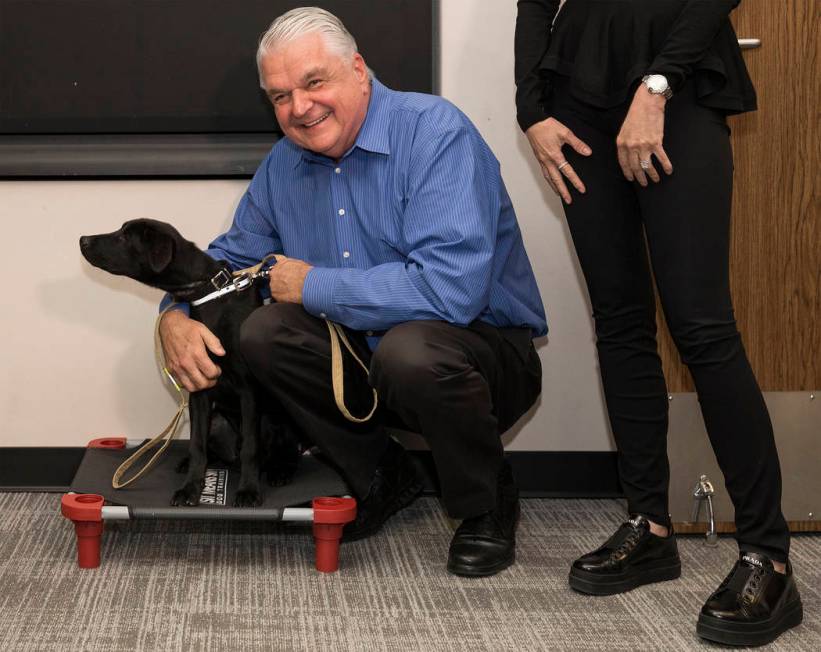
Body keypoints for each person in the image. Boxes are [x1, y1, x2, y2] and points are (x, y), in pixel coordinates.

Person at [160, 7, 546, 577]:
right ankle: (382, 475)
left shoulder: (435, 133)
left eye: (314, 82)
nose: (299, 108)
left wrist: (311, 284)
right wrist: (174, 314)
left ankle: (485, 502)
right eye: (280, 96)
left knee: (410, 350)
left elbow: (452, 292)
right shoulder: (283, 165)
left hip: (478, 356)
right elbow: (231, 262)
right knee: (261, 331)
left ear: (358, 70)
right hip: (364, 363)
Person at [515, 0, 801, 646]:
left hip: (677, 76)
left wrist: (658, 82)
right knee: (618, 320)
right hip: (576, 91)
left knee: (700, 325)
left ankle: (768, 556)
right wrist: (530, 108)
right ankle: (649, 527)